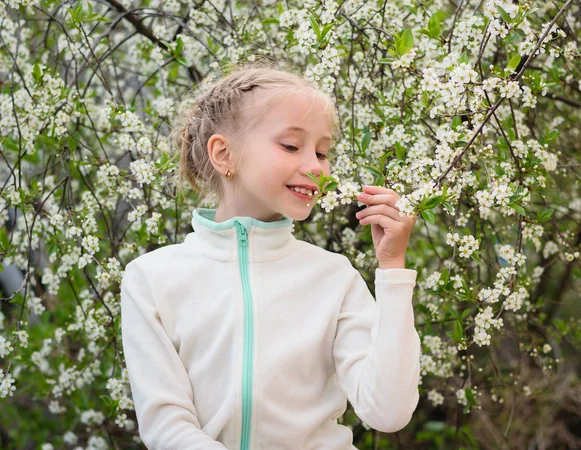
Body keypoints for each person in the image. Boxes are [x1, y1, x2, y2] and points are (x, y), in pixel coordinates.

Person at [120, 60, 420, 450]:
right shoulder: (152, 278)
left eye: (323, 152)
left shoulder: (334, 277)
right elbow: (166, 426)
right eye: (291, 145)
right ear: (223, 154)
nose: (315, 167)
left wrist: (393, 269)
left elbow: (388, 411)